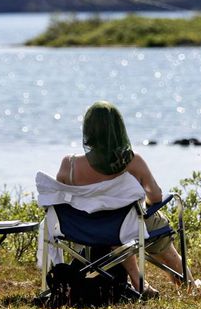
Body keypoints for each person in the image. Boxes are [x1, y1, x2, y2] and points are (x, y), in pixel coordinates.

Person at [55, 100, 192, 298]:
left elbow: (62, 199)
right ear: (119, 128)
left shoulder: (69, 164)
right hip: (124, 229)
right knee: (146, 222)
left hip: (83, 230)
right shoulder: (133, 161)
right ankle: (188, 284)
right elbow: (155, 197)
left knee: (120, 221)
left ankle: (138, 282)